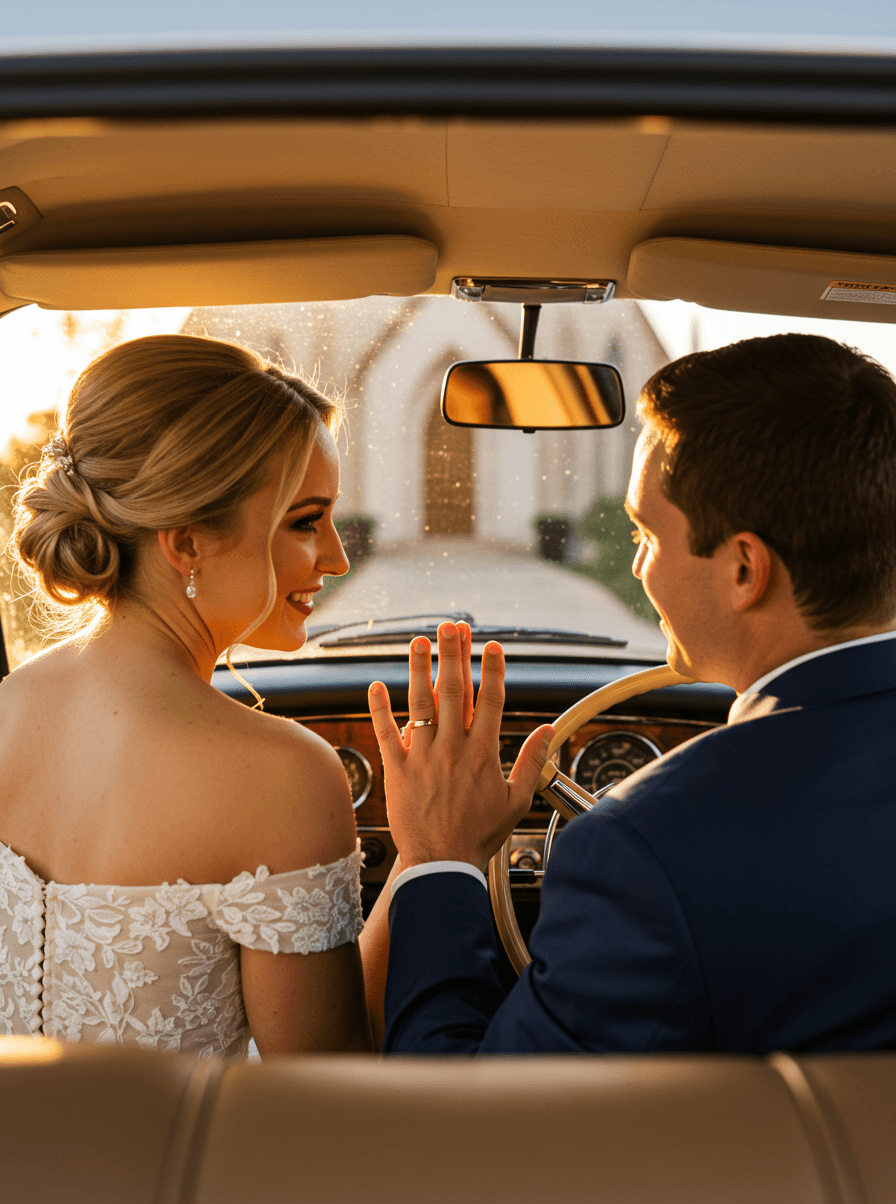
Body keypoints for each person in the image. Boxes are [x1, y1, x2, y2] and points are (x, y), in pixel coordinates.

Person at [372, 332, 896, 1055]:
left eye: (645, 535)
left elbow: (473, 1133)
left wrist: (440, 858)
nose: (640, 568)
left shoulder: (644, 851)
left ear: (745, 569)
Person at [0, 333, 392, 1057]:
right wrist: (432, 860)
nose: (336, 556)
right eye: (306, 521)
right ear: (187, 545)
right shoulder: (284, 776)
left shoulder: (7, 708)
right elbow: (324, 1097)